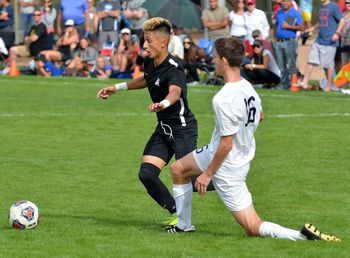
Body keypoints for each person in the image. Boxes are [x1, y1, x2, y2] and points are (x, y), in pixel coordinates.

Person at [164, 37, 340, 243]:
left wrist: (207, 174)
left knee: (253, 227)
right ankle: (184, 226)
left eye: (214, 55)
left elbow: (227, 144)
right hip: (231, 153)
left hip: (227, 165)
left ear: (223, 60)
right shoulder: (247, 86)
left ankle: (302, 236)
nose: (212, 59)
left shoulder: (223, 98)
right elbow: (260, 116)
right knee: (178, 169)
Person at [96, 17, 200, 227]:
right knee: (147, 174)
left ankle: (230, 180)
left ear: (163, 43)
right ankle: (177, 213)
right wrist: (116, 88)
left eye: (149, 40)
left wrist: (163, 104)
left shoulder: (174, 67)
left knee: (194, 181)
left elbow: (175, 92)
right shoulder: (150, 62)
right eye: (144, 40)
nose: (144, 45)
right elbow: (146, 79)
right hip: (164, 128)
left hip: (182, 129)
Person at [299, 0, 344, 91]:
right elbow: (321, 21)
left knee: (328, 65)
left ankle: (328, 86)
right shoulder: (320, 7)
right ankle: (305, 82)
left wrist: (337, 33)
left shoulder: (334, 6)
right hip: (319, 40)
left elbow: (342, 20)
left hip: (330, 41)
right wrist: (313, 28)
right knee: (311, 60)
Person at [274, 0, 303, 90]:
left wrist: (288, 26)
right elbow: (276, 25)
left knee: (291, 64)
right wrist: (275, 35)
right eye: (284, 1)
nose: (285, 3)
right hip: (279, 42)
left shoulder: (295, 13)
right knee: (281, 65)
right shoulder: (279, 12)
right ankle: (284, 84)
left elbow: (301, 27)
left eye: (287, 1)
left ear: (291, 2)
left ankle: (293, 84)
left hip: (290, 41)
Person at [340, 0, 350, 67]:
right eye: (347, 2)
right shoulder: (341, 15)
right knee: (344, 66)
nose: (348, 4)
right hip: (344, 43)